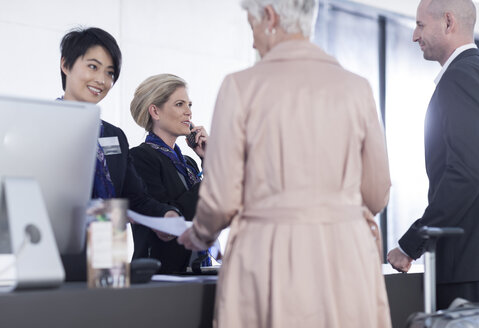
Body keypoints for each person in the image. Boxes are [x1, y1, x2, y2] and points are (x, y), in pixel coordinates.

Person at [178, 0, 392, 326]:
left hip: (269, 255)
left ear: (270, 17)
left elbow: (220, 199)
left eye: (251, 25)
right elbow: (377, 194)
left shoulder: (240, 87)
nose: (252, 39)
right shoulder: (357, 88)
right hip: (347, 256)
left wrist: (200, 234)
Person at [387, 0, 479, 309]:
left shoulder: (461, 78)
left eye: (420, 25)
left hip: (469, 268)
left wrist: (411, 244)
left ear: (448, 22)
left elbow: (467, 174)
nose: (414, 36)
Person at [58, 27, 180, 279]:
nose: (102, 80)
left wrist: (167, 216)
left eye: (110, 72)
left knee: (107, 316)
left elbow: (135, 198)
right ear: (65, 65)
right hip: (54, 255)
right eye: (93, 66)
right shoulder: (40, 125)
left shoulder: (113, 135)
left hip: (109, 258)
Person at [129, 74, 209, 273]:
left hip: (194, 270)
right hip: (160, 274)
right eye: (180, 104)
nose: (188, 112)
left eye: (189, 105)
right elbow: (170, 216)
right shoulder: (140, 158)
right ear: (155, 111)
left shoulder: (189, 163)